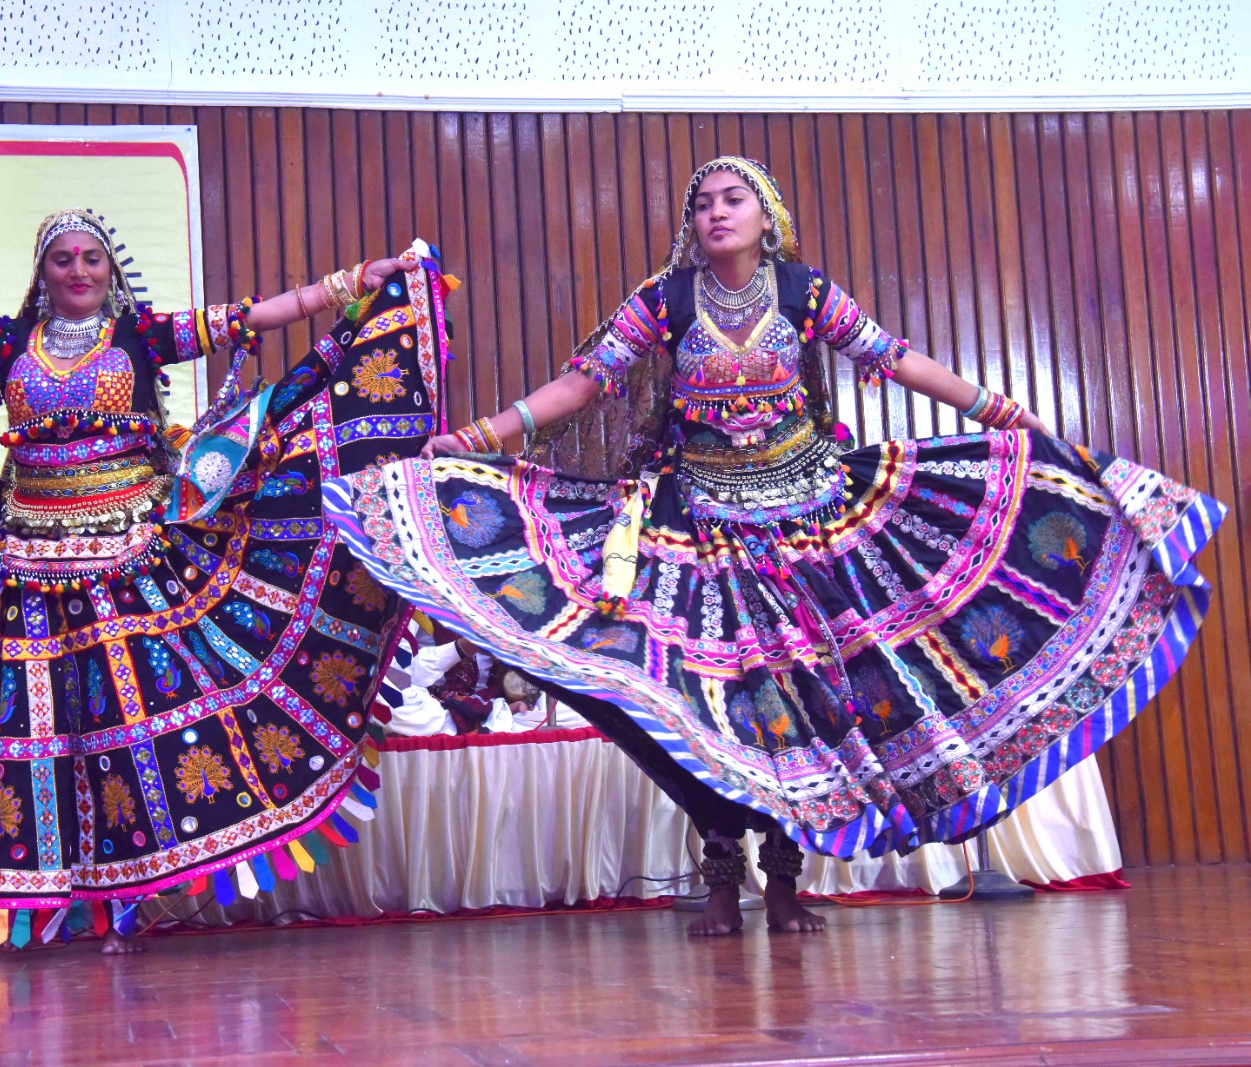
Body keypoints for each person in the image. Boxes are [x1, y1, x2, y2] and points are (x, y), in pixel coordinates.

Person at [325, 157, 1224, 938]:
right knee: (715, 708)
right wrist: (476, 438)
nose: (715, 213)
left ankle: (785, 877)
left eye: (732, 200)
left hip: (812, 521)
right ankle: (723, 874)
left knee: (804, 701)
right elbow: (584, 383)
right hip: (697, 528)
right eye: (703, 203)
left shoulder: (803, 292)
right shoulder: (665, 302)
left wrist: (1007, 416)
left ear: (768, 216)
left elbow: (900, 361)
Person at [0, 210, 452, 953]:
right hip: (28, 568)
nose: (80, 271)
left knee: (136, 730)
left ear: (109, 268)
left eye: (92, 257)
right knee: (42, 733)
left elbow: (249, 317)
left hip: (132, 558)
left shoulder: (141, 334)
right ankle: (45, 891)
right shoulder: (6, 343)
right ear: (43, 271)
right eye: (64, 259)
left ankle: (127, 897)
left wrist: (352, 284)